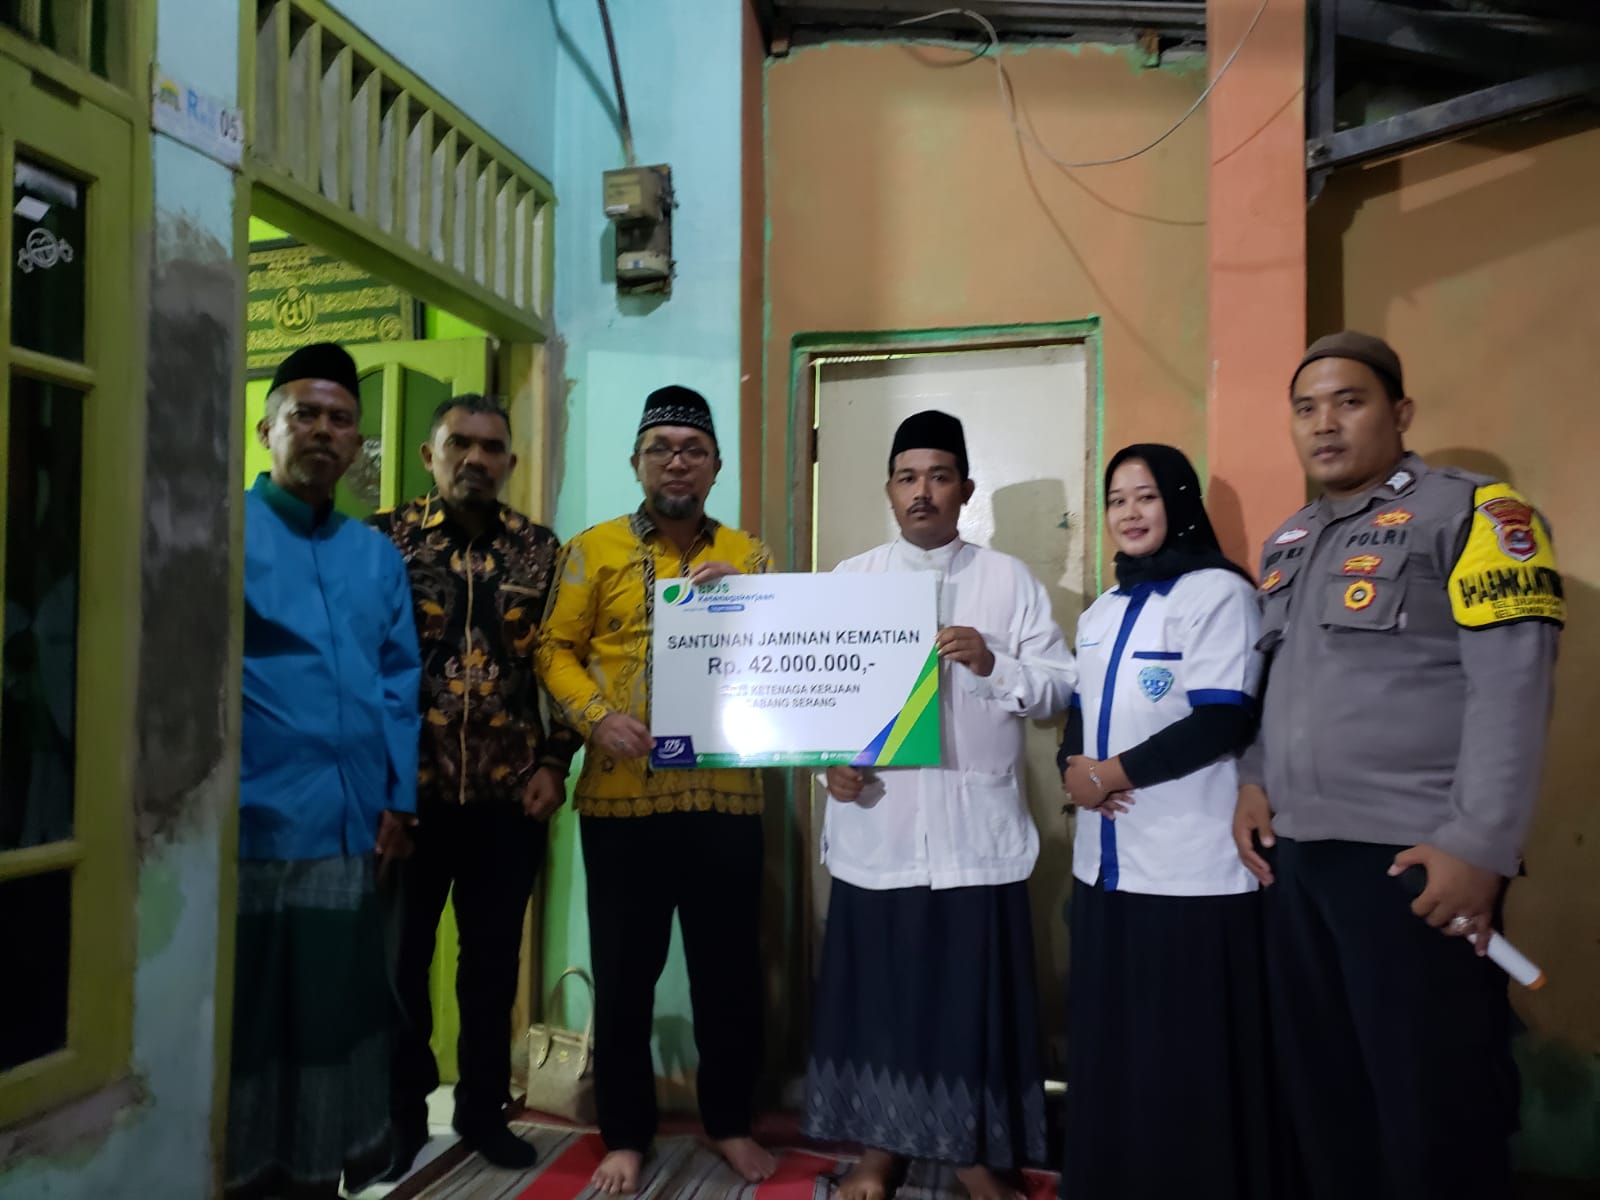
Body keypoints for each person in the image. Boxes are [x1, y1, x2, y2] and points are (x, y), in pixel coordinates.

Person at [1233, 331, 1564, 1200]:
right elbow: (1277, 681)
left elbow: (1513, 688)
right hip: (1299, 863)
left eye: (1349, 402)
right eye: (1306, 409)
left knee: (1432, 1107)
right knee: (1328, 1099)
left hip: (1414, 863)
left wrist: (1479, 846)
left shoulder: (1476, 515)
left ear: (1400, 412)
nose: (1324, 424)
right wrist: (1253, 779)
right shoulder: (1289, 540)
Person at [804, 410, 1076, 1200]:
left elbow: (1059, 688)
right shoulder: (850, 581)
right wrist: (829, 770)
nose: (922, 491)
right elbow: (812, 701)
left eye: (939, 476)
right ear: (889, 490)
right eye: (907, 477)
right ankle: (879, 1155)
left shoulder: (1009, 581)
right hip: (879, 829)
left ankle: (975, 1160)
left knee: (968, 1009)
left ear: (965, 489)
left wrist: (994, 663)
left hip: (974, 841)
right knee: (881, 1007)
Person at [536, 386, 777, 1195]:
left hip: (725, 801)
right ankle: (626, 1135)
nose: (677, 461)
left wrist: (746, 603)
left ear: (715, 466)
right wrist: (596, 718)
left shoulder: (751, 557)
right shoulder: (591, 549)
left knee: (728, 976)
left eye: (693, 449)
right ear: (636, 462)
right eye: (661, 448)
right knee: (624, 976)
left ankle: (730, 1123)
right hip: (622, 801)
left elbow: (788, 658)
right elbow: (553, 649)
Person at [370, 394, 582, 1176]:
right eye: (459, 443)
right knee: (400, 967)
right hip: (407, 801)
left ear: (510, 463)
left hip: (507, 800)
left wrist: (556, 762)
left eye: (492, 448)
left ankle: (482, 1110)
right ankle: (400, 1115)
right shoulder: (382, 542)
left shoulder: (540, 551)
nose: (475, 459)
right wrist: (377, 791)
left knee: (491, 969)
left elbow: (564, 663)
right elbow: (359, 666)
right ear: (430, 455)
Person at [228, 343, 422, 1199]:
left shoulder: (374, 556)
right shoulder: (225, 532)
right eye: (303, 414)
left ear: (356, 442)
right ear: (266, 429)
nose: (322, 431)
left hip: (354, 830)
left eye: (340, 419)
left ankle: (316, 1174)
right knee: (254, 1024)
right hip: (251, 828)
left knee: (335, 1017)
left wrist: (398, 801)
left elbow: (399, 683)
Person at [1057, 444, 1271, 1200]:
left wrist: (1109, 776)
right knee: (1113, 1058)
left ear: (1178, 502)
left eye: (1146, 496)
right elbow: (1081, 713)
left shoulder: (1219, 594)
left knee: (1183, 1064)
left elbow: (1221, 720)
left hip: (1191, 875)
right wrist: (1072, 768)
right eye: (1117, 500)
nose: (1130, 513)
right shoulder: (1101, 611)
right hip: (1105, 872)